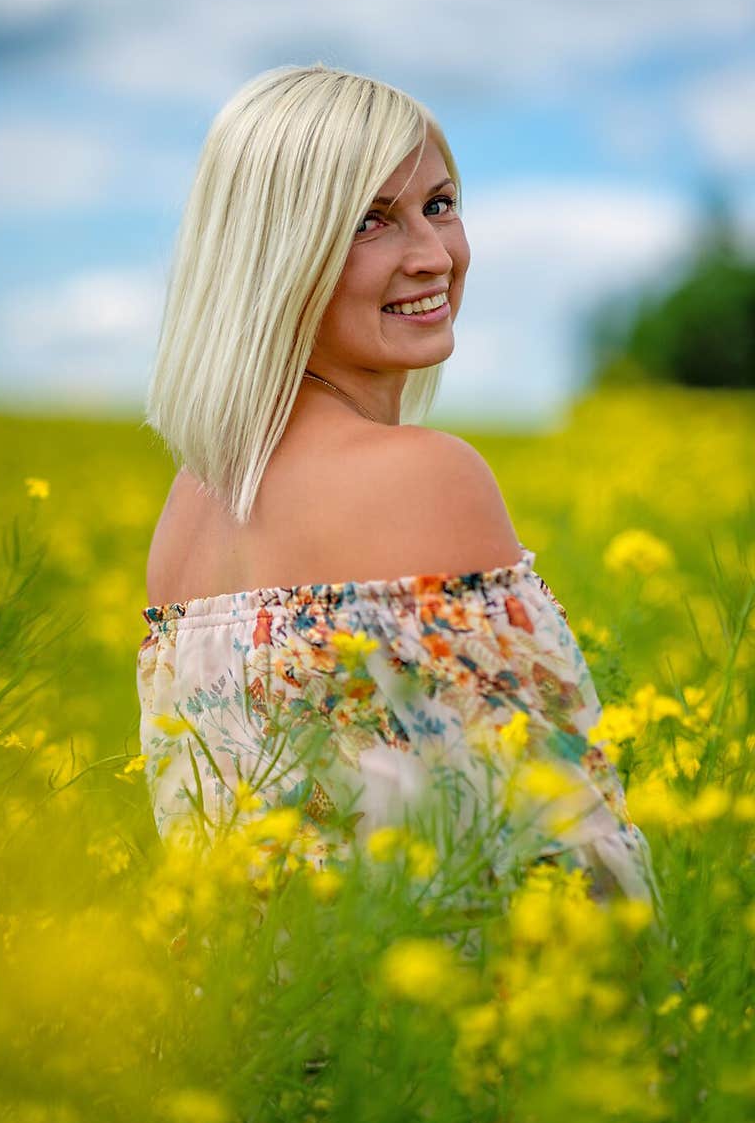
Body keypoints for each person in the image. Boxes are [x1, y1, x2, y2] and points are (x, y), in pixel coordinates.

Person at [136, 63, 657, 905]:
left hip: (263, 1030)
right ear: (281, 253)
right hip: (433, 1024)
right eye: (371, 222)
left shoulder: (195, 500)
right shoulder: (422, 477)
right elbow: (565, 861)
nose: (433, 255)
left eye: (439, 206)